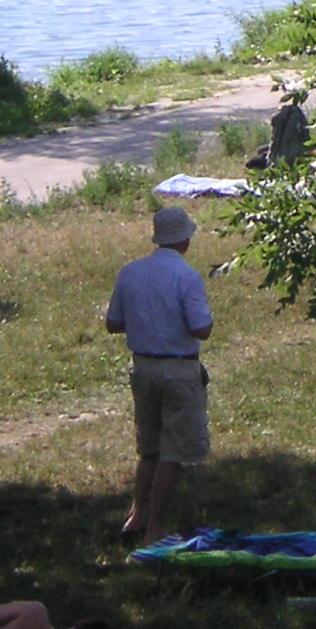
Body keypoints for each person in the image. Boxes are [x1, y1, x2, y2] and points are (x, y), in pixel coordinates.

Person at [105, 203, 214, 544]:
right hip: (179, 369)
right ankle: (155, 528)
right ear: (184, 240)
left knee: (148, 447)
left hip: (143, 367)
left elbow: (113, 323)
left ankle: (136, 514)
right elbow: (202, 328)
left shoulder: (131, 272)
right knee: (173, 452)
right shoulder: (187, 276)